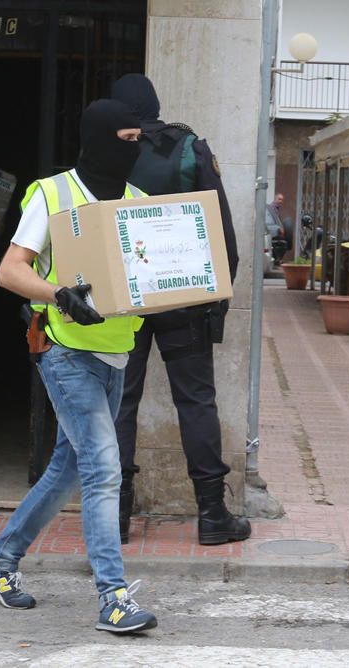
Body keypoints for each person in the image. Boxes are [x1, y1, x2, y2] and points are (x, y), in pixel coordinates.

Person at [0, 99, 157, 634]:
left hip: (116, 351)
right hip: (64, 350)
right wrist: (58, 295)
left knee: (69, 467)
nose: (135, 149)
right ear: (98, 138)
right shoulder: (52, 194)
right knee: (104, 467)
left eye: (137, 140)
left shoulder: (139, 200)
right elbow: (10, 271)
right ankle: (113, 598)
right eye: (125, 139)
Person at [110, 73, 250, 546]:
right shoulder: (189, 147)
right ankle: (213, 514)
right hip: (182, 293)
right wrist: (216, 294)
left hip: (121, 297)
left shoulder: (104, 147)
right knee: (195, 399)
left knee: (121, 401)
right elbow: (221, 229)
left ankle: (117, 515)